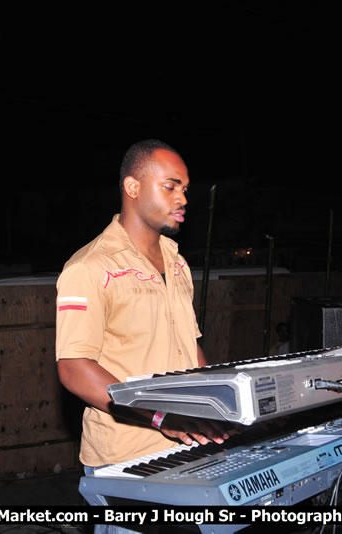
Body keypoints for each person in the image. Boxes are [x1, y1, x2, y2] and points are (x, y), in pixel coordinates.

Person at [55, 140, 230, 479]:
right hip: (125, 458)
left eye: (185, 189)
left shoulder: (177, 263)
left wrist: (217, 407)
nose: (183, 199)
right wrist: (160, 417)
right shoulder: (90, 267)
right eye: (170, 187)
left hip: (185, 445)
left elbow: (188, 347)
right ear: (132, 187)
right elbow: (74, 368)